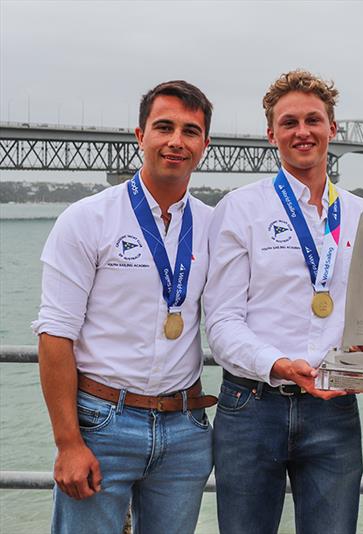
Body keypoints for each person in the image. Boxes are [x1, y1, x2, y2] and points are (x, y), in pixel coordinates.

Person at [33, 80, 217, 534]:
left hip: (185, 428)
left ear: (205, 145)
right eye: (164, 127)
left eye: (190, 131)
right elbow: (55, 334)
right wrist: (67, 442)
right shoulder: (86, 219)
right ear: (140, 136)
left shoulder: (216, 226)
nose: (177, 141)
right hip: (101, 423)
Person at [204, 69, 363, 534]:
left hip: (334, 408)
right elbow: (220, 321)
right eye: (289, 122)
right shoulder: (239, 209)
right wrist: (277, 363)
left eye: (314, 120)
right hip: (252, 405)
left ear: (333, 128)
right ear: (271, 133)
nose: (303, 132)